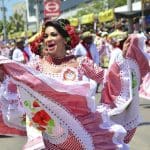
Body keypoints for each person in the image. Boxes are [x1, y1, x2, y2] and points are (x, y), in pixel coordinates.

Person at [0, 18, 128, 150]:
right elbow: (18, 85)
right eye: (45, 36)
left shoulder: (81, 62)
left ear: (66, 39)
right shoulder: (35, 66)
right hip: (52, 137)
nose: (48, 39)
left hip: (83, 131)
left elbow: (110, 79)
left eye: (54, 35)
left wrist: (124, 58)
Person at [80, 34, 150, 144]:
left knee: (116, 141)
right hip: (125, 111)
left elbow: (110, 75)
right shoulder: (129, 60)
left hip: (126, 111)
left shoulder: (132, 63)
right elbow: (111, 73)